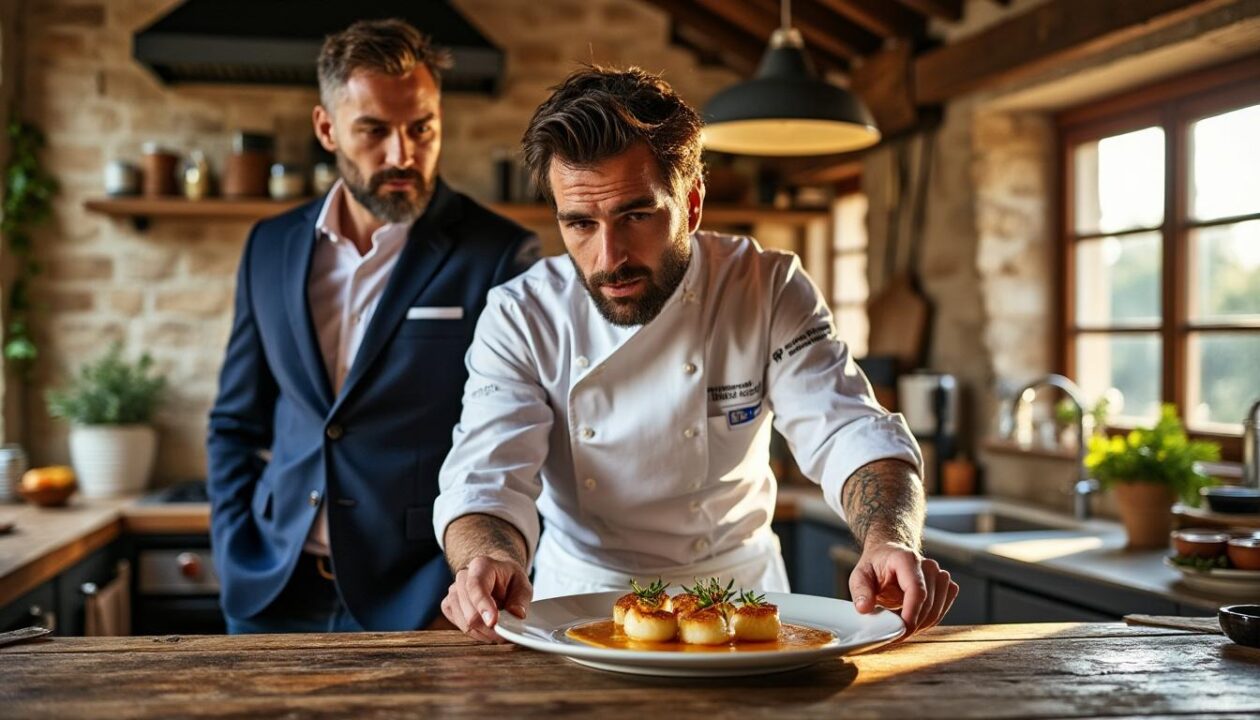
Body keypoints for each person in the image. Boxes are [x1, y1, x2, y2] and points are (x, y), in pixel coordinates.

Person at [434, 66, 958, 644]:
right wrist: (485, 559)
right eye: (580, 223)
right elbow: (488, 478)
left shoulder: (766, 285)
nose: (610, 257)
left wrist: (890, 538)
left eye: (637, 215)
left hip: (746, 604)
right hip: (581, 603)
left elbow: (847, 429)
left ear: (693, 203)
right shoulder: (522, 314)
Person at [207, 19, 538, 633]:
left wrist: (464, 579)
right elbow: (235, 420)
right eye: (374, 131)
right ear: (326, 128)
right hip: (271, 592)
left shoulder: (499, 253)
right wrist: (235, 550)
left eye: (421, 129)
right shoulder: (270, 246)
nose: (402, 155)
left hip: (418, 599)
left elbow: (510, 439)